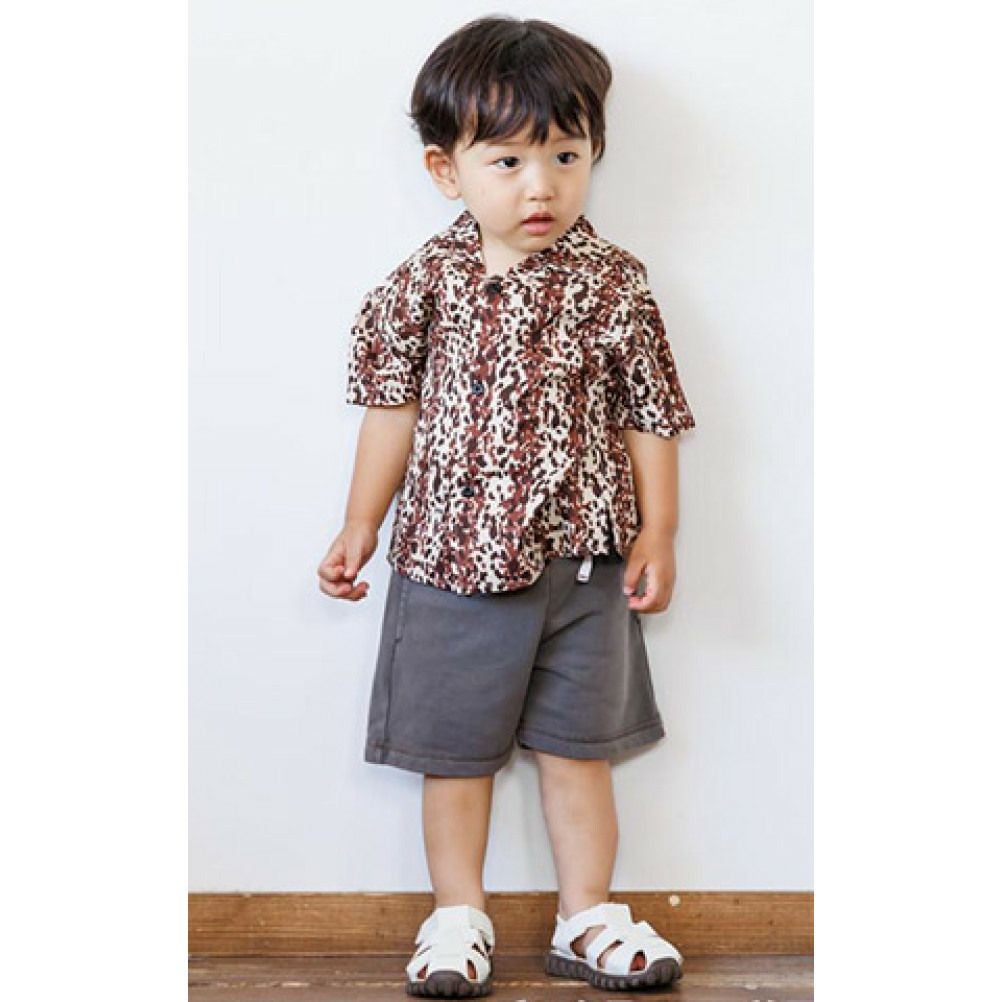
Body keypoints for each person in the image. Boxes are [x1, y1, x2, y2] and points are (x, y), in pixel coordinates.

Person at [318, 15, 695, 998]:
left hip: (585, 567)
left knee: (580, 753)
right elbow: (391, 411)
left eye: (566, 156)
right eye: (509, 161)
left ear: (595, 153)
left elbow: (650, 413)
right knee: (456, 755)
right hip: (451, 560)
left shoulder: (614, 284)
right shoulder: (423, 285)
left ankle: (587, 915)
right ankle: (457, 916)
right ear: (448, 171)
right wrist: (361, 523)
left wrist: (658, 530)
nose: (541, 187)